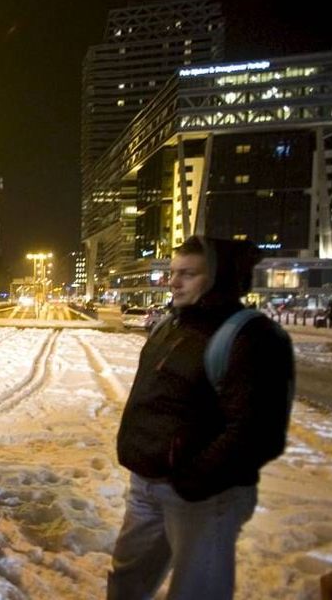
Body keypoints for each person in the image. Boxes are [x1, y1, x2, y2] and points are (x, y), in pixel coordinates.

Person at [108, 236, 294, 600]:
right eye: (174, 272)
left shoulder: (251, 337)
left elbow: (257, 431)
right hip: (146, 486)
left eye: (189, 274)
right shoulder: (171, 326)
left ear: (219, 279)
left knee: (196, 591)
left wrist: (195, 479)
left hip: (204, 496)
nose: (174, 282)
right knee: (127, 580)